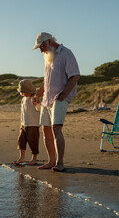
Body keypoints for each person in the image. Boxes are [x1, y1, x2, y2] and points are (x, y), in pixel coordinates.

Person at [32, 32, 80, 172]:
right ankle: (51, 161)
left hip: (59, 97)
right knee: (45, 129)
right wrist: (38, 95)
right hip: (47, 99)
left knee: (56, 128)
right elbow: (45, 80)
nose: (40, 50)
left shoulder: (66, 53)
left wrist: (63, 95)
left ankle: (60, 162)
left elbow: (75, 75)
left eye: (41, 47)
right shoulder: (47, 56)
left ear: (49, 42)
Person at [14, 79, 40, 165]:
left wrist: (37, 104)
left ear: (29, 91)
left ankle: (34, 158)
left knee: (33, 141)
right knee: (21, 141)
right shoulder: (23, 99)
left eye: (23, 92)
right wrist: (21, 123)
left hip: (33, 124)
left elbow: (39, 109)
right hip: (23, 124)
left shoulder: (34, 99)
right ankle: (22, 157)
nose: (21, 93)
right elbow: (23, 112)